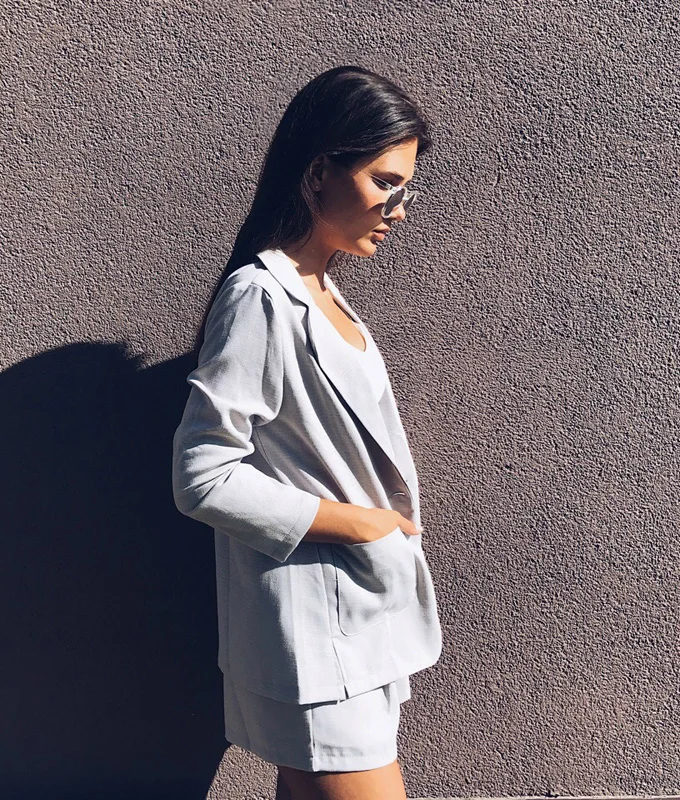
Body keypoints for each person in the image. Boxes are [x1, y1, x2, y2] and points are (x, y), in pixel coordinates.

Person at [172, 65, 443, 800]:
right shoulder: (260, 296)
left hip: (358, 622)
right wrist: (361, 525)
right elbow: (203, 476)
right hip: (317, 637)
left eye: (406, 187)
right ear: (319, 172)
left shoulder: (323, 293)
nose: (399, 209)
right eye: (385, 182)